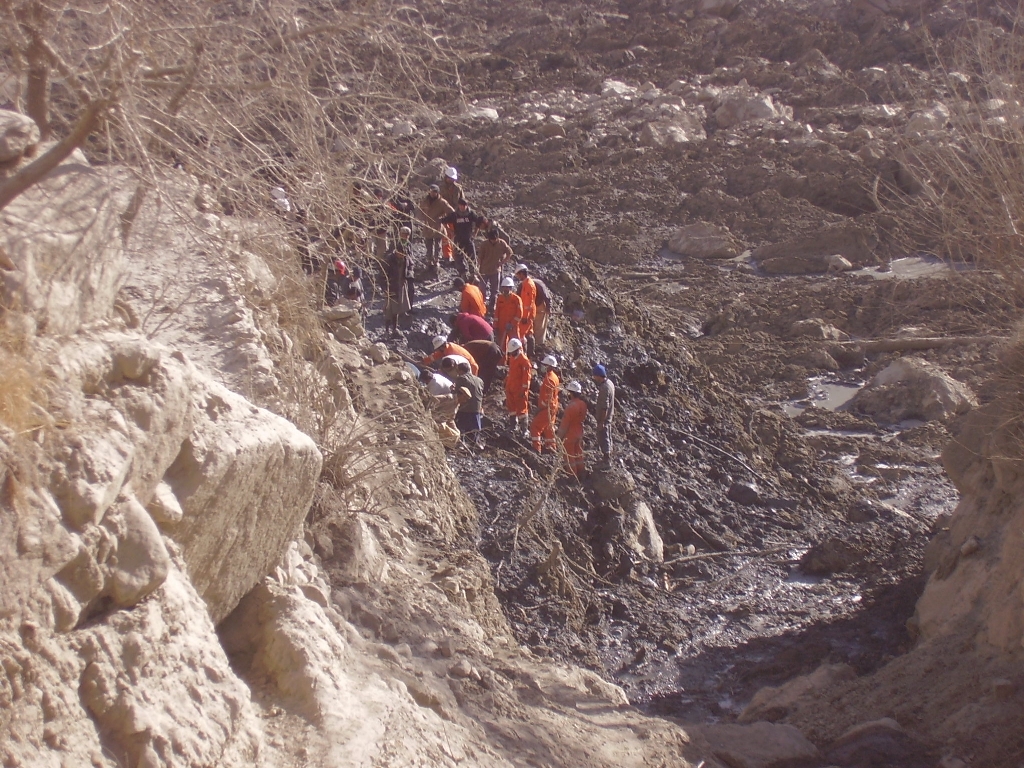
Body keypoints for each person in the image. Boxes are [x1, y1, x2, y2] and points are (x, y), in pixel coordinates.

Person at [439, 198, 486, 279]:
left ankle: (473, 273)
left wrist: (474, 234)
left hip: (468, 239)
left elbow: (478, 222)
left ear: (466, 206)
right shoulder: (455, 215)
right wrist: (449, 231)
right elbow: (444, 221)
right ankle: (463, 273)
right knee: (458, 258)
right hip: (458, 239)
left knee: (472, 257)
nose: (462, 207)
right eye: (460, 205)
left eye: (463, 206)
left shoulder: (470, 214)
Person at [417, 184, 454, 271]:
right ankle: (429, 261)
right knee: (428, 245)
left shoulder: (442, 202)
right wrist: (422, 219)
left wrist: (444, 219)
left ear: (437, 192)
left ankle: (436, 261)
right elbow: (419, 210)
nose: (433, 193)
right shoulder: (425, 201)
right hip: (427, 226)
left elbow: (451, 212)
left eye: (434, 191)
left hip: (437, 226)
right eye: (431, 191)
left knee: (438, 246)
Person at [477, 228, 514, 314]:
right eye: (491, 239)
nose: (493, 241)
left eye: (495, 239)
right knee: (482, 289)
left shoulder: (502, 243)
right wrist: (478, 268)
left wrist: (502, 262)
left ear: (497, 237)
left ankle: (492, 307)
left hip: (495, 270)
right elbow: (479, 257)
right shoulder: (484, 244)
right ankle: (482, 306)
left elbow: (510, 253)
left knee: (495, 290)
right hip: (484, 270)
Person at [557, 380, 588, 477]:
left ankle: (572, 475)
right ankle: (581, 472)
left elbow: (564, 425)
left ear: (571, 393)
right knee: (578, 454)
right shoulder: (583, 404)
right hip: (579, 431)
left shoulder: (571, 406)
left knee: (569, 455)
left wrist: (559, 437)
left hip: (570, 434)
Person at [382, 239, 413, 337]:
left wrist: (408, 275)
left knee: (397, 309)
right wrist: (384, 288)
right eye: (400, 254)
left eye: (403, 255)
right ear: (396, 251)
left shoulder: (406, 258)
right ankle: (387, 330)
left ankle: (395, 329)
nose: (402, 256)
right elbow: (382, 275)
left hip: (400, 286)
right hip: (390, 287)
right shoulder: (389, 259)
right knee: (389, 310)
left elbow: (411, 265)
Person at [530, 355, 560, 453]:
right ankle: (551, 448)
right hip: (553, 407)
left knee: (535, 426)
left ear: (549, 366)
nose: (543, 367)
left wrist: (540, 408)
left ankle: (536, 449)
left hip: (547, 408)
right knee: (548, 428)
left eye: (545, 365)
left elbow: (547, 398)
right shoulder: (554, 377)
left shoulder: (549, 380)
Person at [453, 360, 484, 447]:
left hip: (465, 408)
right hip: (477, 408)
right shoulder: (479, 380)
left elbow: (456, 393)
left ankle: (461, 443)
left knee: (460, 426)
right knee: (475, 429)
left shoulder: (461, 378)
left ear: (461, 371)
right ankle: (475, 443)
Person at [504, 338, 532, 433]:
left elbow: (526, 378)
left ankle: (524, 429)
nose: (512, 354)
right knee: (511, 407)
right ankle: (513, 426)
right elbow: (511, 372)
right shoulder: (512, 358)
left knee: (522, 409)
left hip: (519, 389)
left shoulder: (524, 361)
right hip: (510, 387)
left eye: (513, 352)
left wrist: (523, 390)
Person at [440, 167, 464, 262]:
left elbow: (463, 202)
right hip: (445, 215)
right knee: (445, 236)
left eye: (452, 178)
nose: (451, 180)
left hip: (456, 216)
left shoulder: (458, 188)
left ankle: (456, 256)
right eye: (449, 178)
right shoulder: (441, 188)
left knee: (456, 236)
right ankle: (447, 256)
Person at [593, 364, 615, 464]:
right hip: (609, 416)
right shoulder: (610, 383)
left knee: (603, 436)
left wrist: (601, 421)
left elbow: (604, 407)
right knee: (608, 436)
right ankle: (608, 456)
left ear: (599, 375)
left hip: (604, 417)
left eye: (595, 375)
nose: (594, 378)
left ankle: (606, 460)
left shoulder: (604, 388)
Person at [493, 277, 523, 355]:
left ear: (511, 288)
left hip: (513, 327)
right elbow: (496, 313)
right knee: (501, 346)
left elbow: (519, 314)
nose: (506, 290)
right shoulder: (500, 298)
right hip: (501, 325)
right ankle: (502, 363)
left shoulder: (516, 299)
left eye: (508, 288)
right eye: (504, 288)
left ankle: (518, 361)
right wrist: (495, 326)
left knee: (515, 344)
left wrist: (512, 324)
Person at [514, 264, 538, 359]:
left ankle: (523, 356)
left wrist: (525, 316)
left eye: (518, 275)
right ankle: (531, 354)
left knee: (521, 335)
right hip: (529, 313)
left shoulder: (528, 285)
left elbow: (528, 302)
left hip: (527, 314)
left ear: (522, 273)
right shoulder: (527, 283)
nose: (518, 277)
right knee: (529, 333)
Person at [532, 275, 553, 348]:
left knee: (539, 326)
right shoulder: (522, 286)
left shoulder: (539, 284)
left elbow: (547, 297)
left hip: (539, 306)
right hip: (529, 307)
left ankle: (538, 344)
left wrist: (548, 308)